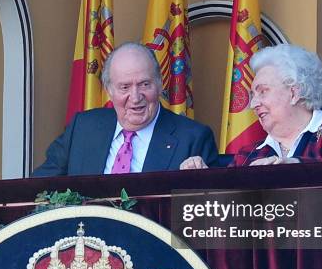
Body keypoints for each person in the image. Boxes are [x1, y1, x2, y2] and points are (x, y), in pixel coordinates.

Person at [32, 42, 219, 177]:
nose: (136, 97)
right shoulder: (82, 128)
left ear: (160, 84)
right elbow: (40, 189)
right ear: (109, 91)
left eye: (144, 84)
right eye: (124, 87)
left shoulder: (194, 139)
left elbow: (203, 215)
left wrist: (200, 183)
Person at [181, 44, 322, 168]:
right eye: (253, 95)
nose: (253, 104)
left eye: (263, 91)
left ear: (294, 93)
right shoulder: (248, 155)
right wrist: (202, 182)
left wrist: (293, 167)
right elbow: (226, 208)